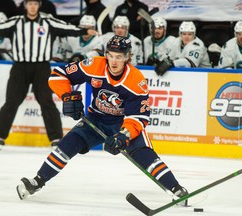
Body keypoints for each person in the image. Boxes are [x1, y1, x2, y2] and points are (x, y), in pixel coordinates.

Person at [16, 35, 189, 207]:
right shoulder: (94, 65)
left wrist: (123, 135)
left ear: (127, 57)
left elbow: (138, 117)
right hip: (95, 119)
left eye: (119, 57)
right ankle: (37, 181)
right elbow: (57, 75)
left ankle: (176, 189)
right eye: (111, 55)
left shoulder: (136, 81)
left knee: (144, 155)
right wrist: (68, 96)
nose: (113, 62)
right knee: (67, 145)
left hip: (122, 123)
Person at [0, 0, 98, 150]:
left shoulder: (48, 21)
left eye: (35, 4)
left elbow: (67, 28)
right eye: (30, 4)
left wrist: (85, 31)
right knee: (12, 101)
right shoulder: (16, 22)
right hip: (20, 67)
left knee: (46, 101)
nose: (32, 7)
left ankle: (55, 138)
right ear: (25, 5)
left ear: (39, 5)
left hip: (41, 67)